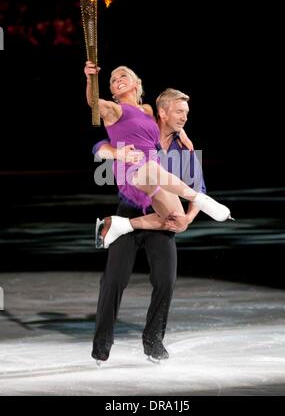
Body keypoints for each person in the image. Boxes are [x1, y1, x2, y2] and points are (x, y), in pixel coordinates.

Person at [84, 62, 230, 364]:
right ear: (163, 113)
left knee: (165, 280)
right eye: (179, 112)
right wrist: (114, 151)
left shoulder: (181, 146)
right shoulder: (131, 119)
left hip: (159, 213)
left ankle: (153, 342)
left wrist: (187, 220)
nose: (184, 118)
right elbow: (100, 141)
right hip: (133, 197)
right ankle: (102, 347)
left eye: (186, 114)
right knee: (114, 279)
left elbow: (196, 180)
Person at [85, 63, 232, 251]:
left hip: (155, 171)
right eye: (113, 80)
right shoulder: (114, 110)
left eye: (123, 76)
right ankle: (201, 200)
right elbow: (94, 103)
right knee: (150, 169)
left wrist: (181, 131)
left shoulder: (146, 110)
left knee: (179, 221)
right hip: (132, 168)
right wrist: (90, 80)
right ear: (112, 90)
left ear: (136, 83)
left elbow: (164, 124)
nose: (117, 80)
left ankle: (120, 225)